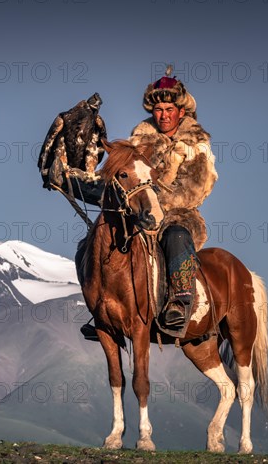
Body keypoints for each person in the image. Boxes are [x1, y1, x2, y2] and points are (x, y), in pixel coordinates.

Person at [77, 67, 218, 338]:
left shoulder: (196, 143)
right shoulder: (139, 139)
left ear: (180, 110)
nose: (163, 115)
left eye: (169, 109)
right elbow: (125, 176)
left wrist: (156, 202)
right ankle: (100, 310)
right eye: (158, 110)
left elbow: (197, 188)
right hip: (139, 211)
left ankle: (180, 300)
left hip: (179, 213)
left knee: (176, 236)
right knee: (94, 242)